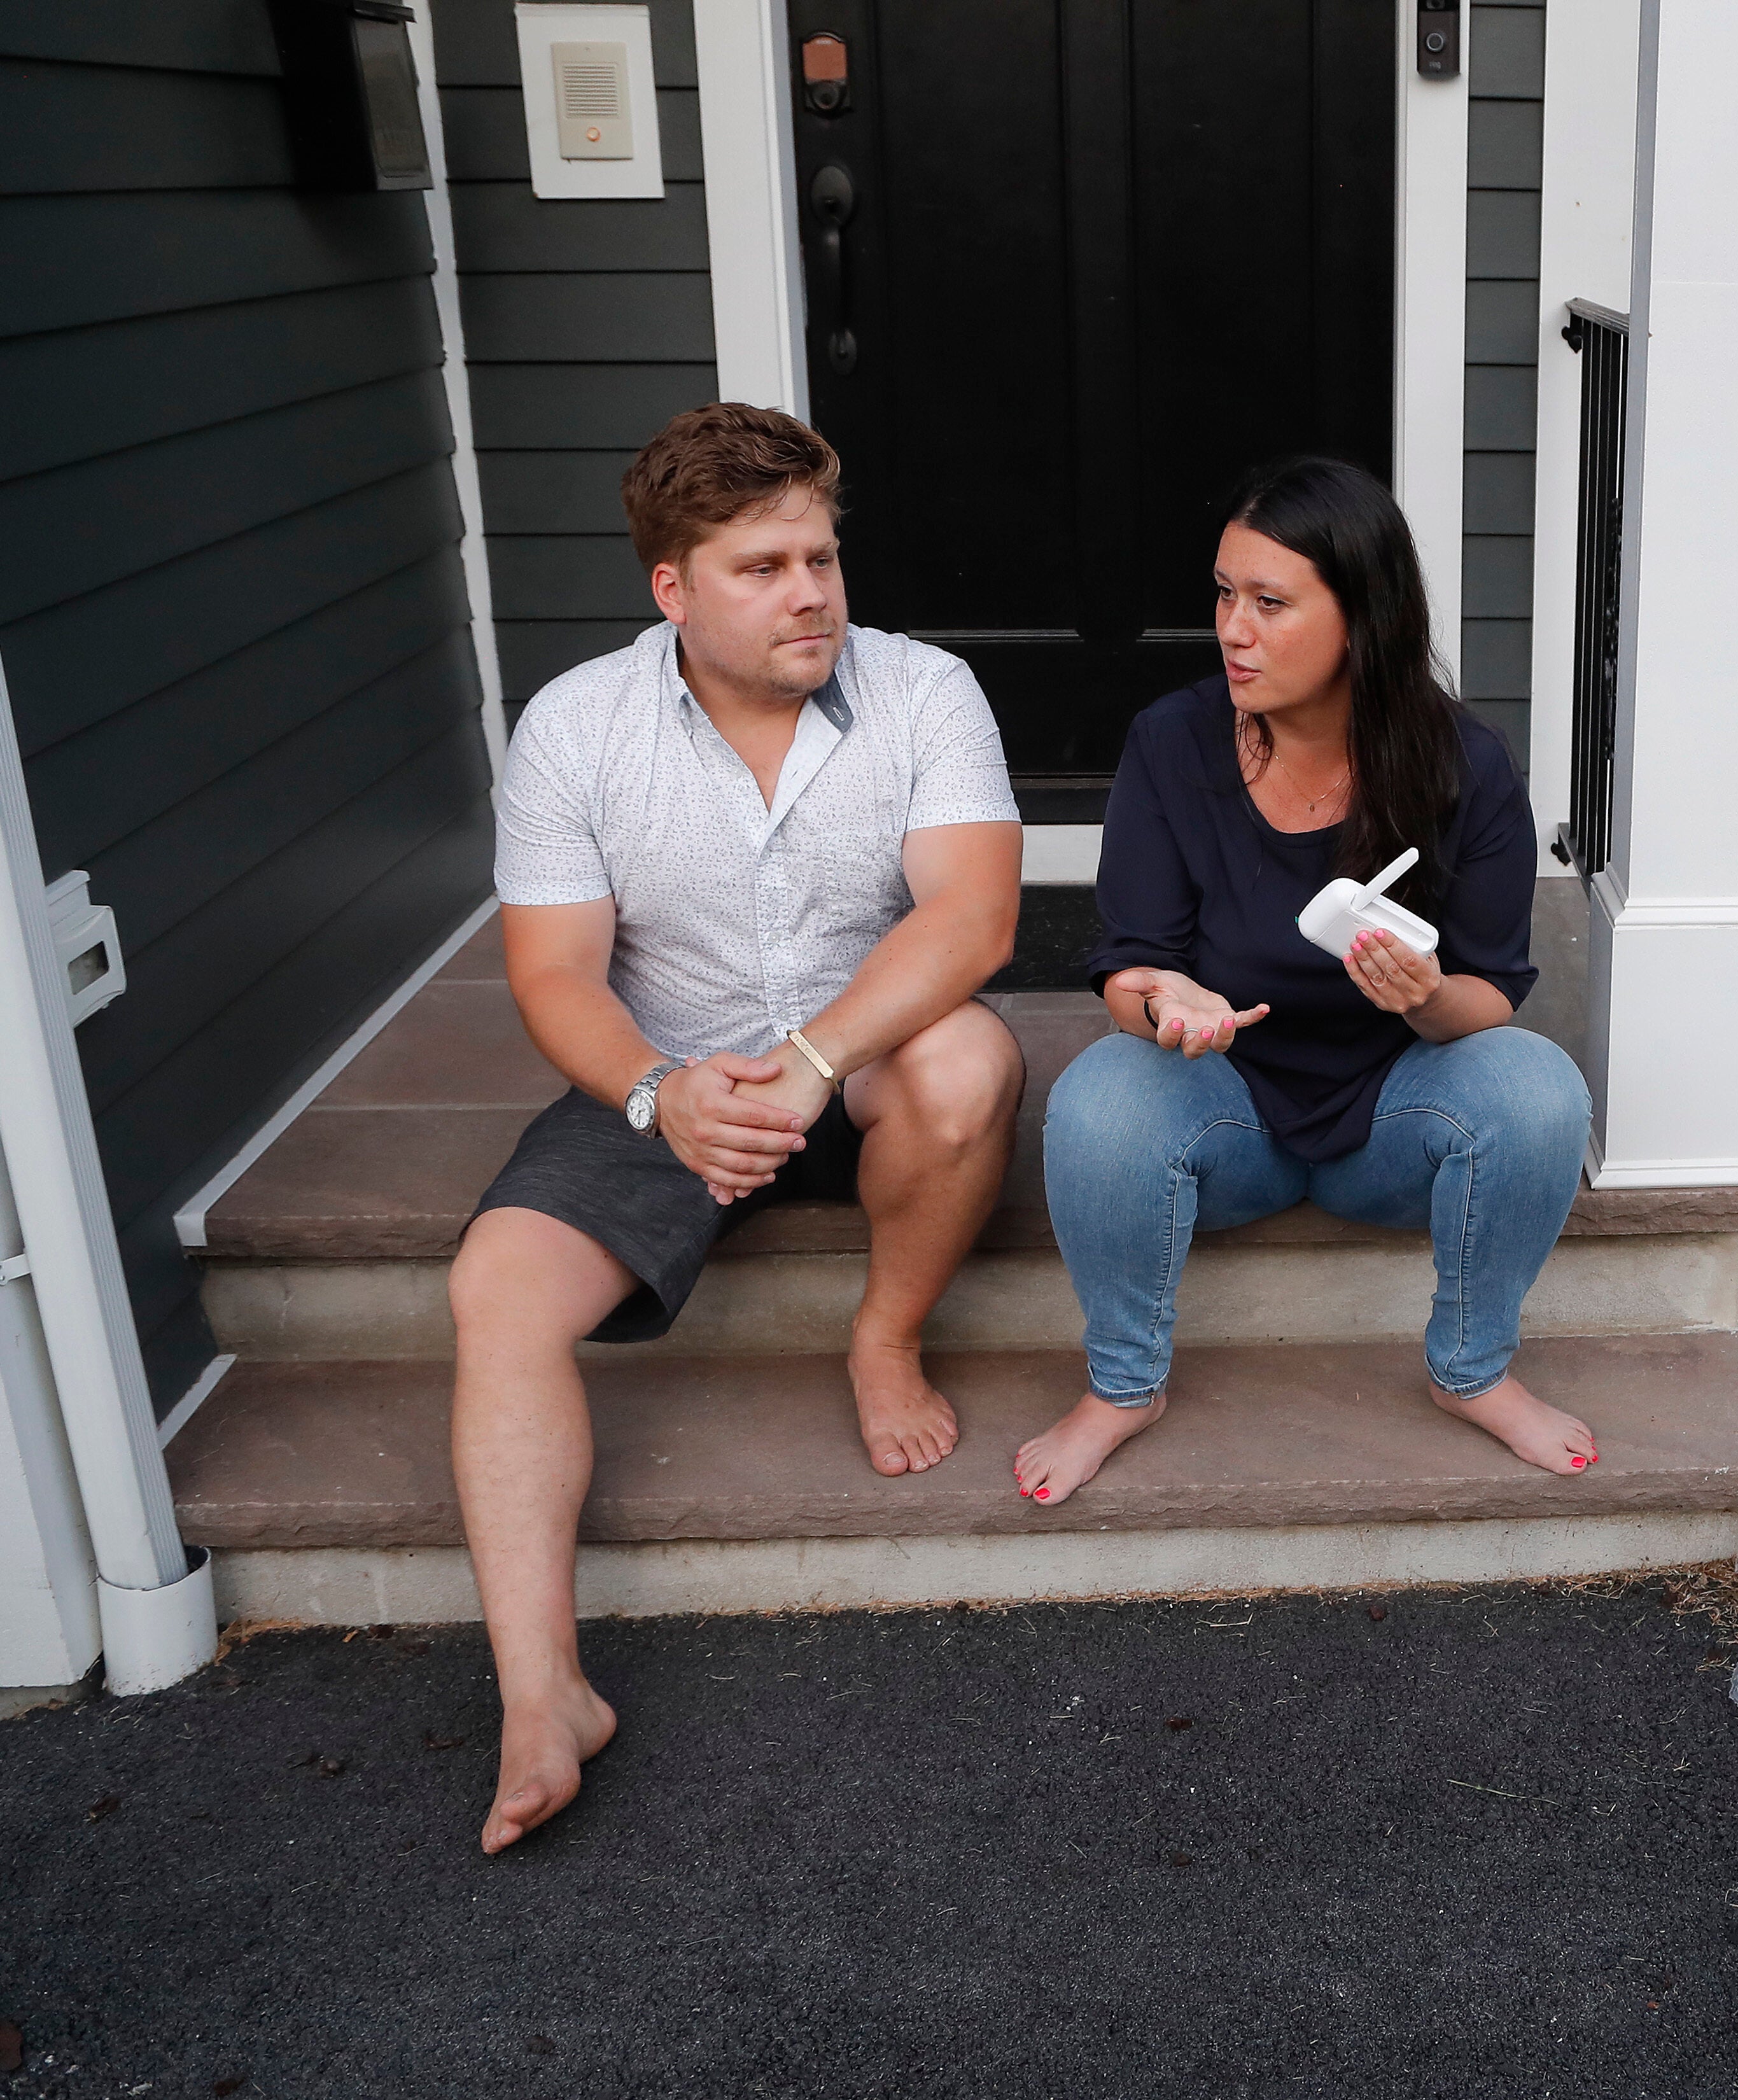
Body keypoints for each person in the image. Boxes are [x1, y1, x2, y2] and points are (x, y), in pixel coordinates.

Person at [448, 403, 1024, 1853]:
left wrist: (819, 1057)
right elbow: (554, 976)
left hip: (863, 1058)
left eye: (820, 557)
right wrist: (661, 1090)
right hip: (669, 1077)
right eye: (762, 568)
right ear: (674, 588)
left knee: (968, 1061)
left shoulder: (925, 691)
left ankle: (884, 1337)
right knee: (496, 1287)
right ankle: (543, 1694)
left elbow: (972, 918)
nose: (810, 593)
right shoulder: (575, 726)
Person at [1019, 456, 1596, 1507]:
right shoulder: (1173, 741)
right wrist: (1167, 1004)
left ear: (1362, 616)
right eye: (1223, 595)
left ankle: (1471, 1371)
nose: (1232, 630)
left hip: (1394, 1119)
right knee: (1100, 1093)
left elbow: (1492, 994)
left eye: (1270, 603)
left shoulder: (1463, 763)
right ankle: (1122, 1388)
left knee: (1535, 1084)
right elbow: (1129, 963)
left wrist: (1423, 996)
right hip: (1224, 1106)